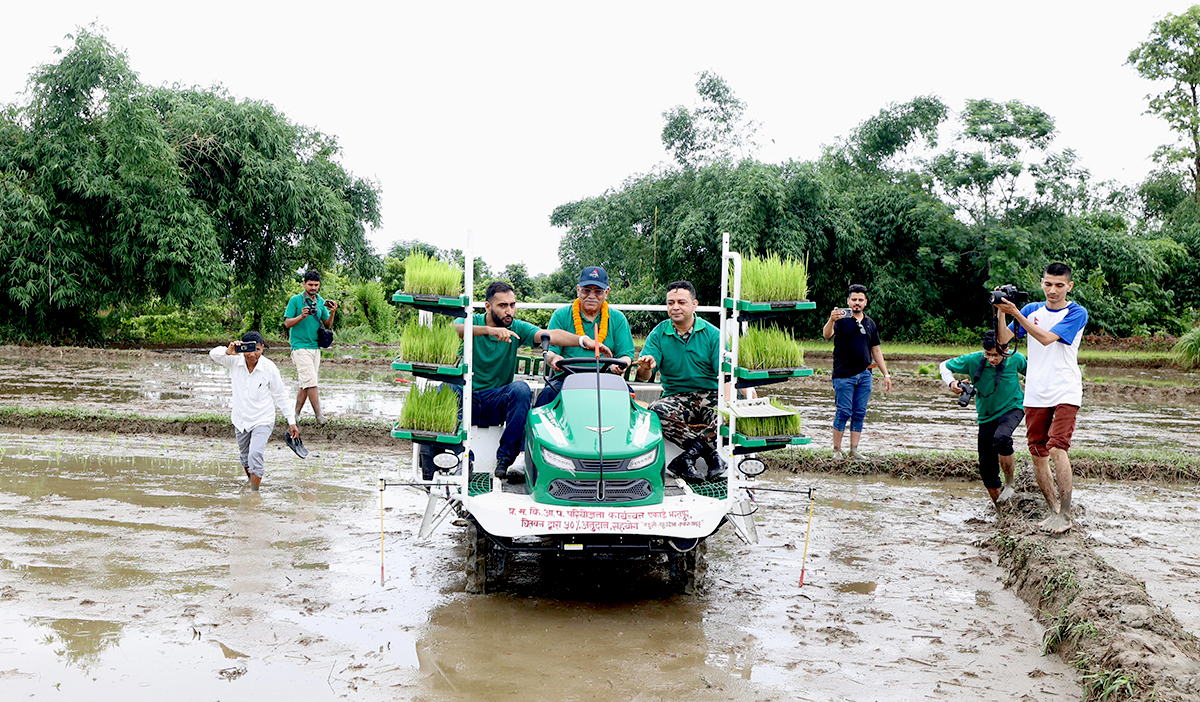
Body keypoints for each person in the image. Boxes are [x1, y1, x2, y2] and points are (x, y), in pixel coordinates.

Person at [457, 280, 610, 482]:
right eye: (502, 306)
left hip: (496, 400)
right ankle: (460, 458)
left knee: (521, 389)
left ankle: (507, 460)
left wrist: (584, 341)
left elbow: (550, 335)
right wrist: (489, 330)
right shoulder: (472, 321)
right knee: (448, 388)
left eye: (512, 305)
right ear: (488, 306)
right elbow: (453, 329)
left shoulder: (516, 327)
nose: (509, 311)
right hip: (467, 399)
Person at [995, 262, 1088, 534]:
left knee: (1058, 447)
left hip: (1065, 389)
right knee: (1038, 453)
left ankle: (1067, 514)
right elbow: (1003, 340)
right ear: (1042, 283)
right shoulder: (1031, 309)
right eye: (1048, 284)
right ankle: (1054, 511)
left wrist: (1016, 314)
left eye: (1059, 285)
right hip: (1036, 392)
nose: (1053, 290)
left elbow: (1047, 338)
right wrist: (1001, 312)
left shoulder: (1076, 312)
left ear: (1069, 286)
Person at [634, 280, 722, 483]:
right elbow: (643, 377)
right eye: (670, 302)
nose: (675, 307)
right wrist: (646, 367)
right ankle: (710, 455)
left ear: (694, 305)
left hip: (710, 394)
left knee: (728, 414)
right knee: (657, 410)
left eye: (682, 302)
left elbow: (724, 375)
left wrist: (732, 401)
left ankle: (687, 457)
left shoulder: (713, 335)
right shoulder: (659, 333)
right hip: (675, 396)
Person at [939, 332, 1027, 512]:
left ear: (1006, 350)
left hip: (1013, 407)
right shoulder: (974, 360)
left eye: (996, 355)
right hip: (986, 416)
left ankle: (1010, 484)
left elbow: (1035, 375)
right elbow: (944, 365)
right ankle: (1003, 513)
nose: (991, 359)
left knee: (1002, 438)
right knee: (987, 471)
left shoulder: (1016, 359)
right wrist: (952, 383)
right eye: (988, 354)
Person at [208, 332, 300, 490]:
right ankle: (252, 482)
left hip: (262, 419)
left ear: (262, 348)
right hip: (240, 419)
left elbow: (281, 395)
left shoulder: (269, 368)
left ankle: (254, 493)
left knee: (254, 454)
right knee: (245, 457)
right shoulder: (234, 361)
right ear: (241, 348)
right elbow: (212, 353)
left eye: (256, 349)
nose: (252, 354)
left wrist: (291, 421)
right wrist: (228, 350)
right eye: (248, 349)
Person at [535, 266, 636, 409]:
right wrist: (555, 359)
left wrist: (619, 365)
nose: (591, 296)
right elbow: (550, 352)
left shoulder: (618, 319)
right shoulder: (561, 315)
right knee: (547, 395)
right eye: (586, 290)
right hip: (566, 378)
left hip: (607, 379)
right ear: (578, 290)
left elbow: (626, 355)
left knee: (629, 400)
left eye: (598, 291)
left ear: (606, 292)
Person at [822, 284, 892, 460]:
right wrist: (831, 319)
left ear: (866, 302)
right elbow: (826, 334)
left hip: (865, 375)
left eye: (860, 300)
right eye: (854, 299)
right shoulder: (841, 320)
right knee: (844, 412)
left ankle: (854, 450)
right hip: (844, 375)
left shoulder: (870, 323)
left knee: (859, 412)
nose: (857, 303)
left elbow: (876, 350)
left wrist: (886, 374)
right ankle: (836, 450)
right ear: (848, 301)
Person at [283, 270, 339, 424]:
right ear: (304, 284)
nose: (313, 288)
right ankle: (319, 415)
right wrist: (302, 316)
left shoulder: (321, 301)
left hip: (315, 347)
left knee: (306, 383)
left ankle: (294, 414)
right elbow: (287, 323)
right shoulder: (295, 301)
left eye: (316, 285)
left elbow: (327, 324)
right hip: (300, 346)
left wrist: (332, 312)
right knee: (312, 382)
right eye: (310, 284)